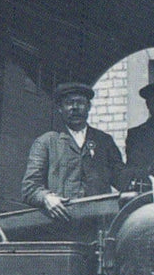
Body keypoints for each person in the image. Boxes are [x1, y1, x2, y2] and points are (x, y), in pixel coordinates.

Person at [22, 82, 124, 221]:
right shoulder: (46, 142)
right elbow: (29, 188)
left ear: (89, 107)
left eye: (80, 103)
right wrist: (46, 198)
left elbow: (122, 179)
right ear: (60, 108)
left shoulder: (104, 141)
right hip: (61, 223)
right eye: (69, 103)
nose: (75, 108)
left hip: (99, 224)